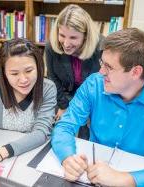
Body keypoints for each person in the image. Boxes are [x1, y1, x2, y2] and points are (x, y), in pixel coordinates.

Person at [51, 28, 144, 187]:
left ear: (135, 72)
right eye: (102, 63)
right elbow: (65, 125)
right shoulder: (94, 84)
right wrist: (67, 158)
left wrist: (124, 179)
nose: (101, 71)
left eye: (109, 67)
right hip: (91, 175)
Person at [45, 4, 103, 139]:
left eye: (73, 38)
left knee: (86, 133)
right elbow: (52, 78)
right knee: (56, 131)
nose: (65, 43)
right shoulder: (51, 46)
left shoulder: (100, 48)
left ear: (85, 36)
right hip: (63, 96)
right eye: (62, 35)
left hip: (91, 99)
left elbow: (100, 86)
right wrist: (63, 106)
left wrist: (87, 111)